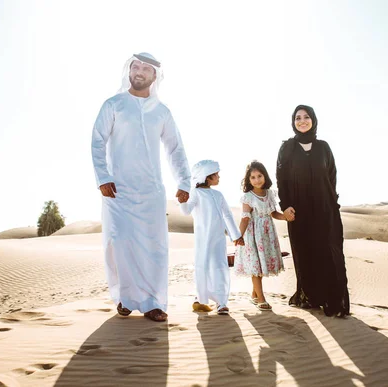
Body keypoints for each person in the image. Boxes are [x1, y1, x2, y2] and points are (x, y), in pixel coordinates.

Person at [91, 52, 191, 322]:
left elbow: (175, 148)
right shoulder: (114, 104)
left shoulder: (162, 111)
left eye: (146, 68)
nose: (139, 71)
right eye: (135, 66)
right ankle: (125, 297)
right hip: (118, 189)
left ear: (154, 76)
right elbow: (98, 141)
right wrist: (102, 176)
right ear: (129, 70)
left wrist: (183, 181)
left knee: (154, 247)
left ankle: (154, 302)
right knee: (119, 244)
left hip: (151, 192)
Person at [276, 105, 350, 317]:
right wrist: (286, 205)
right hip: (298, 211)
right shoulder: (287, 148)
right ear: (293, 122)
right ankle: (311, 297)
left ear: (313, 120)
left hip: (325, 209)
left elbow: (332, 176)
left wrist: (331, 201)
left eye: (306, 117)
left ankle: (335, 302)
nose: (302, 121)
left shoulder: (323, 148)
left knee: (330, 253)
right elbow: (282, 179)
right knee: (305, 253)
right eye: (298, 118)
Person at [180, 160, 244, 315]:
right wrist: (182, 201)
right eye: (216, 174)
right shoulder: (195, 193)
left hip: (218, 240)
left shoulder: (218, 194)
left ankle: (221, 303)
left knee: (219, 267)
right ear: (207, 177)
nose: (219, 177)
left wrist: (236, 235)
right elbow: (186, 211)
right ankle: (200, 298)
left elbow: (227, 216)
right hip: (203, 239)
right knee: (203, 267)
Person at [234, 161, 287, 311]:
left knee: (261, 265)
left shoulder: (269, 193)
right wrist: (239, 236)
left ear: (265, 176)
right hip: (253, 234)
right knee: (256, 266)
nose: (257, 180)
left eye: (259, 176)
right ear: (248, 180)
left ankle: (254, 295)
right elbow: (245, 218)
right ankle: (261, 299)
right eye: (253, 177)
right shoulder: (248, 197)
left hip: (267, 233)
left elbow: (273, 213)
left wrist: (285, 217)